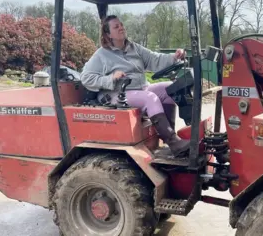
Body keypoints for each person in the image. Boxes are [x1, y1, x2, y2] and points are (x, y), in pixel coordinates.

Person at [79, 15, 189, 158]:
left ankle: (169, 136)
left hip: (139, 89)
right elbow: (86, 78)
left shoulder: (134, 48)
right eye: (116, 26)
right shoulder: (102, 55)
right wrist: (110, 78)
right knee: (150, 98)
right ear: (108, 34)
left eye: (121, 24)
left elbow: (154, 59)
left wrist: (175, 57)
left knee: (171, 88)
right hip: (116, 94)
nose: (121, 27)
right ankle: (174, 142)